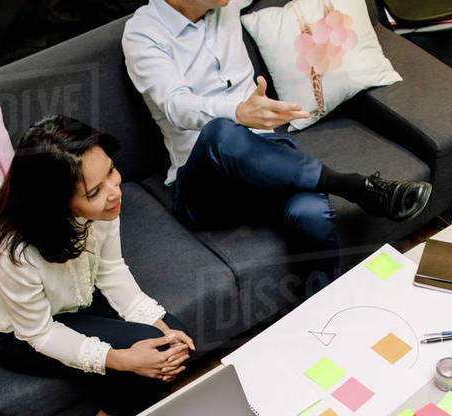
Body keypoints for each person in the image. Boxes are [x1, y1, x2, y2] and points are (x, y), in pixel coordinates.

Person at [122, 0, 432, 291]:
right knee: (222, 131)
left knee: (310, 212)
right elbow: (177, 106)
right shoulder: (143, 34)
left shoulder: (224, 5)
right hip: (205, 186)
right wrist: (238, 112)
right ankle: (355, 187)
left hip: (267, 159)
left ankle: (325, 317)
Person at [0, 115, 196, 416]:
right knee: (142, 360)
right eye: (95, 191)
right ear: (57, 204)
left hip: (79, 299)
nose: (114, 190)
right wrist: (123, 360)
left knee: (168, 343)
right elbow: (40, 332)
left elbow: (111, 269)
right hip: (21, 333)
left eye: (111, 170)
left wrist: (162, 326)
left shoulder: (106, 204)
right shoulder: (11, 249)